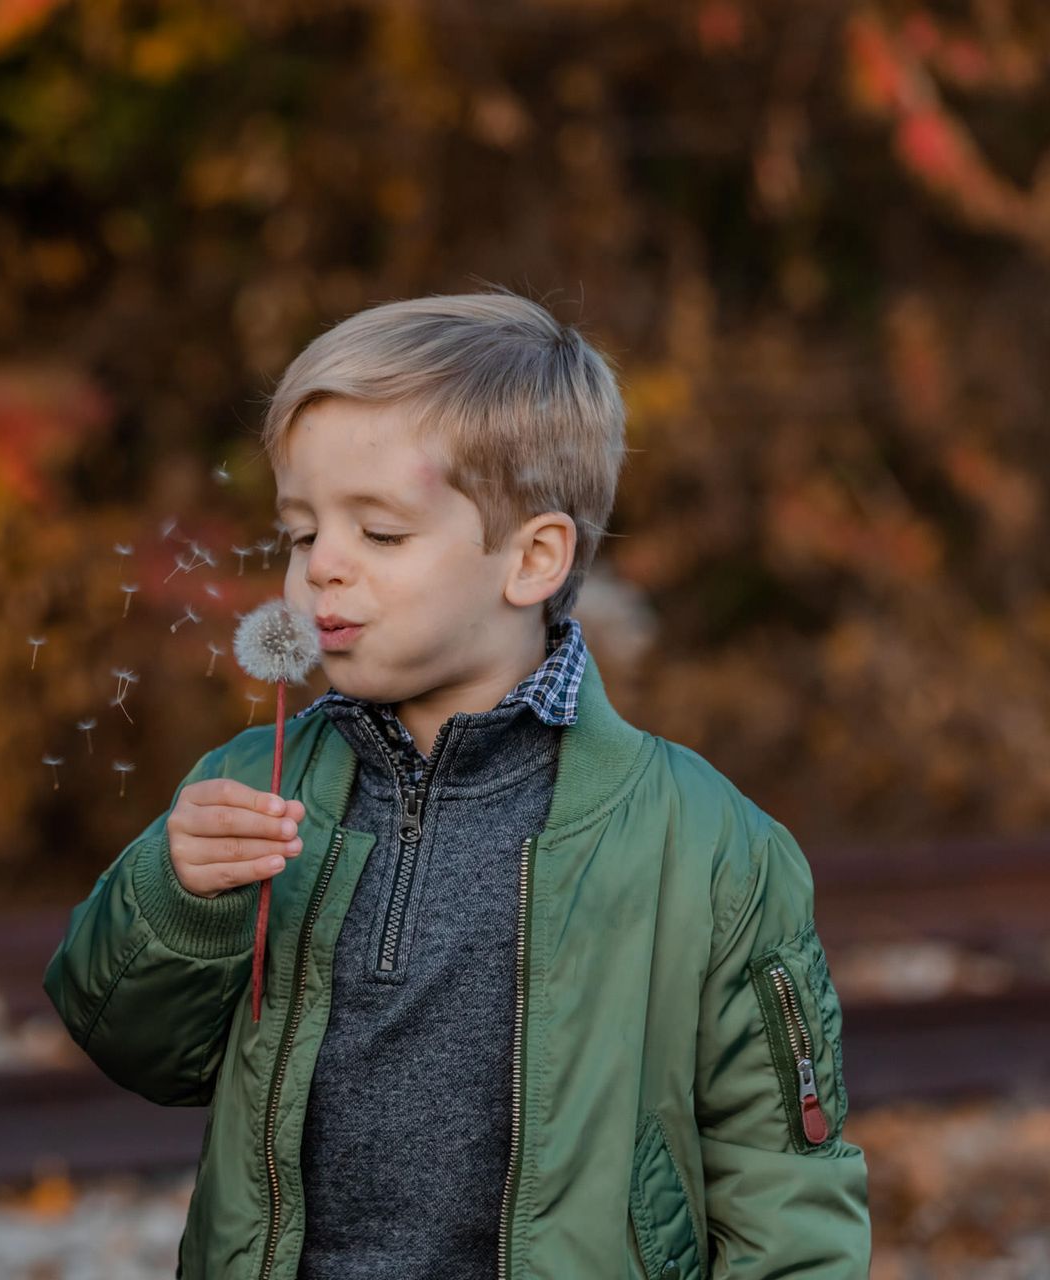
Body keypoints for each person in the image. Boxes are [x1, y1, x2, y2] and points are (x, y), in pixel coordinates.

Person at [45, 293, 869, 1279]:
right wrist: (182, 902)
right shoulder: (249, 785)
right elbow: (136, 1048)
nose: (322, 571)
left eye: (380, 533)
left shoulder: (705, 843)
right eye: (303, 534)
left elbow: (786, 1188)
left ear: (532, 558)